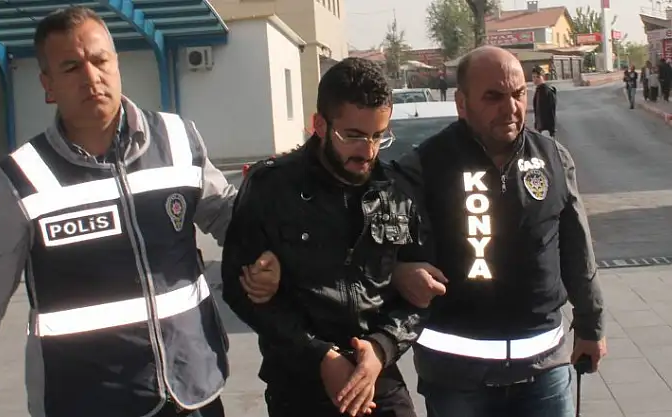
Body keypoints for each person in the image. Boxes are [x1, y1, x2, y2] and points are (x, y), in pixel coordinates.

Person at [0, 6, 273, 417]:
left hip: (193, 392)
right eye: (71, 67)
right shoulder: (20, 181)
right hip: (86, 401)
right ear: (48, 85)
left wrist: (266, 252)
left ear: (116, 64)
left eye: (100, 60)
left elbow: (231, 219)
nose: (91, 77)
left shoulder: (178, 141)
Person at [393, 46, 607, 417]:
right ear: (462, 104)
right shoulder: (425, 165)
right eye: (493, 97)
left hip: (544, 369)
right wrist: (400, 271)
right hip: (456, 379)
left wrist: (591, 324)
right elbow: (386, 249)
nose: (511, 108)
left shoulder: (553, 158)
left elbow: (577, 249)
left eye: (518, 94)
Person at [221, 57, 437, 417]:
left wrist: (382, 347)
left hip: (377, 376)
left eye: (378, 136)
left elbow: (421, 295)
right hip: (298, 380)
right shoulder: (271, 188)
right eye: (353, 136)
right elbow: (239, 289)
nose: (368, 151)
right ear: (319, 125)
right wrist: (319, 355)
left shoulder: (397, 190)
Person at [531, 66, 556, 137]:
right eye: (533, 77)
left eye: (538, 77)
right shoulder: (538, 90)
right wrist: (536, 125)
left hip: (546, 129)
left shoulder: (547, 91)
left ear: (543, 77)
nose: (535, 79)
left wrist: (551, 129)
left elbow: (551, 111)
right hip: (540, 128)